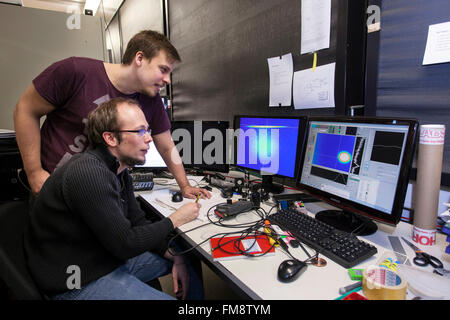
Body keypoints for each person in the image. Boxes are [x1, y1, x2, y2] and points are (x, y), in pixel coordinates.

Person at [24, 97, 204, 300]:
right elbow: (126, 243)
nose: (150, 138)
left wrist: (176, 257)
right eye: (140, 131)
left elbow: (137, 221)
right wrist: (176, 219)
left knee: (187, 254)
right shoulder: (88, 173)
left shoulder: (118, 170)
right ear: (110, 138)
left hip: (105, 259)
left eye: (148, 130)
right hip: (76, 280)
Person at [13, 30, 210, 201]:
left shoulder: (151, 99)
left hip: (99, 194)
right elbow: (25, 110)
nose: (167, 80)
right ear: (139, 59)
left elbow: (167, 146)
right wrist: (34, 172)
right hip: (53, 188)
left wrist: (185, 185)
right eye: (163, 70)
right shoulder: (75, 71)